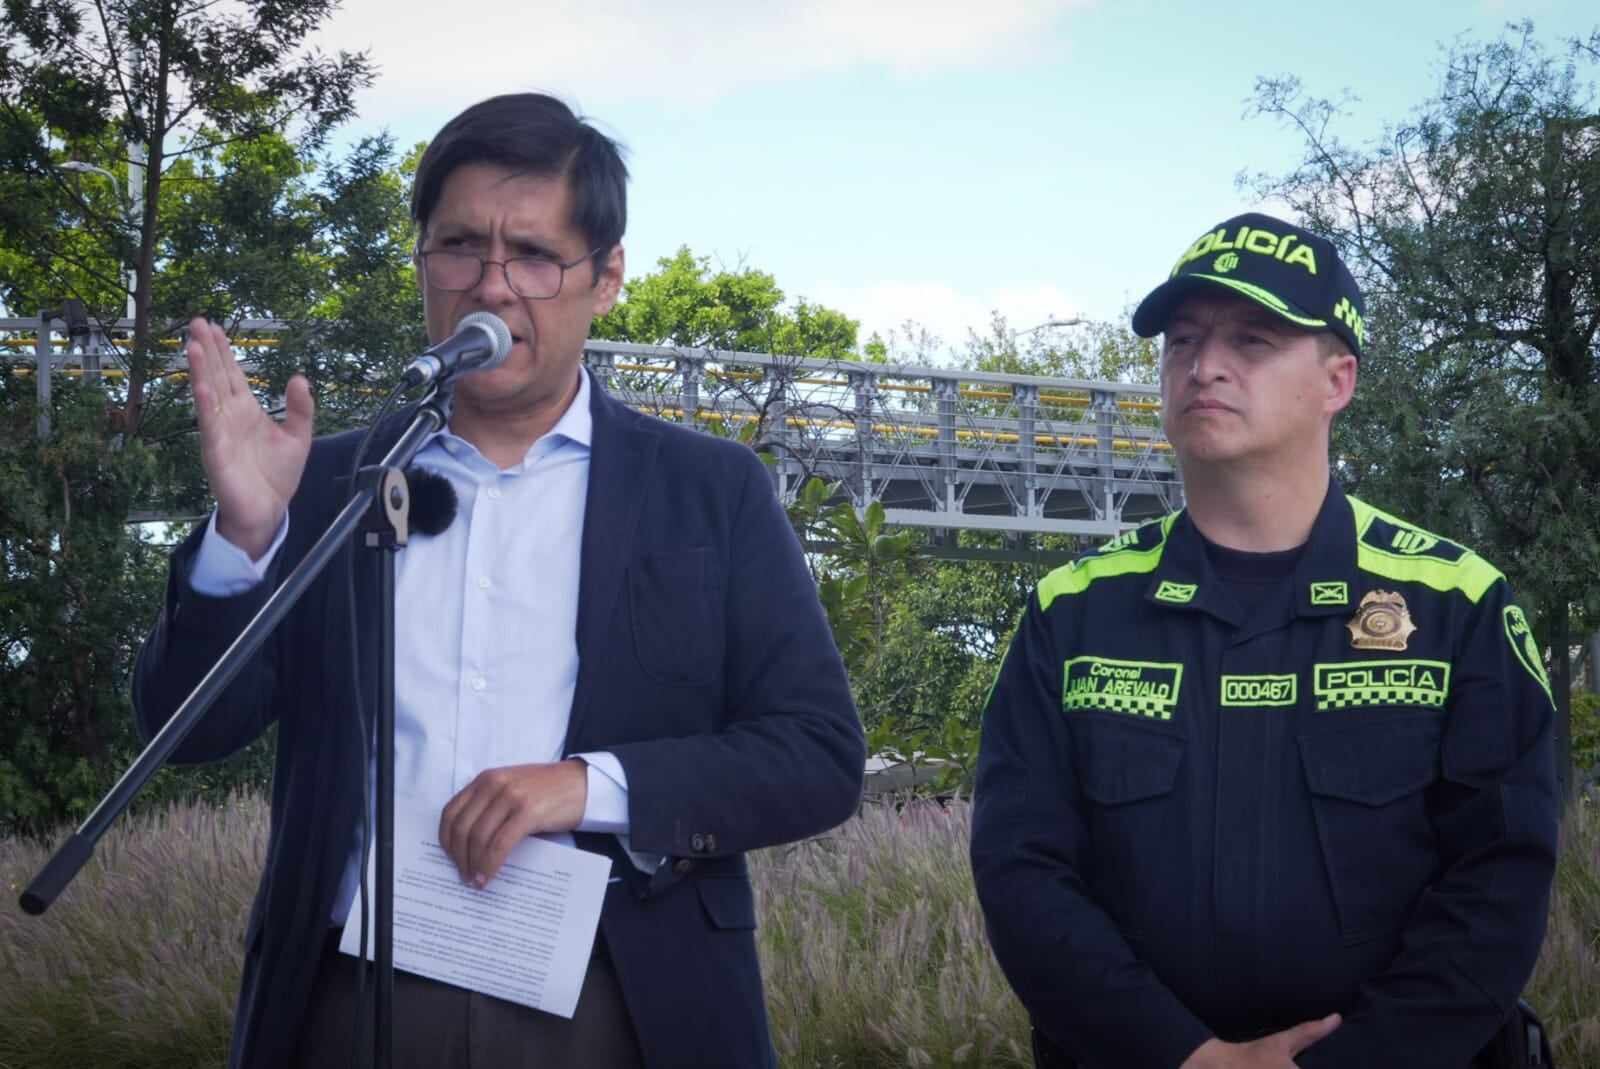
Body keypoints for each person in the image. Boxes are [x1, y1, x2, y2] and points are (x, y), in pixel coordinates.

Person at [133, 92, 865, 1069]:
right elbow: (183, 727)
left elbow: (815, 754)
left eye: (532, 255)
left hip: (620, 999)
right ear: (422, 261)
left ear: (605, 276)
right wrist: (247, 533)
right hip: (347, 998)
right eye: (459, 247)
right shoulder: (323, 484)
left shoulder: (708, 492)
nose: (491, 286)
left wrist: (587, 787)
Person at [969, 212, 1558, 1069]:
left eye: (1252, 338)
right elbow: (1022, 876)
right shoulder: (1072, 612)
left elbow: (1499, 882)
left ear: (1338, 380)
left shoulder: (1455, 603)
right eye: (1183, 340)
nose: (1205, 365)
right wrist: (1185, 1055)